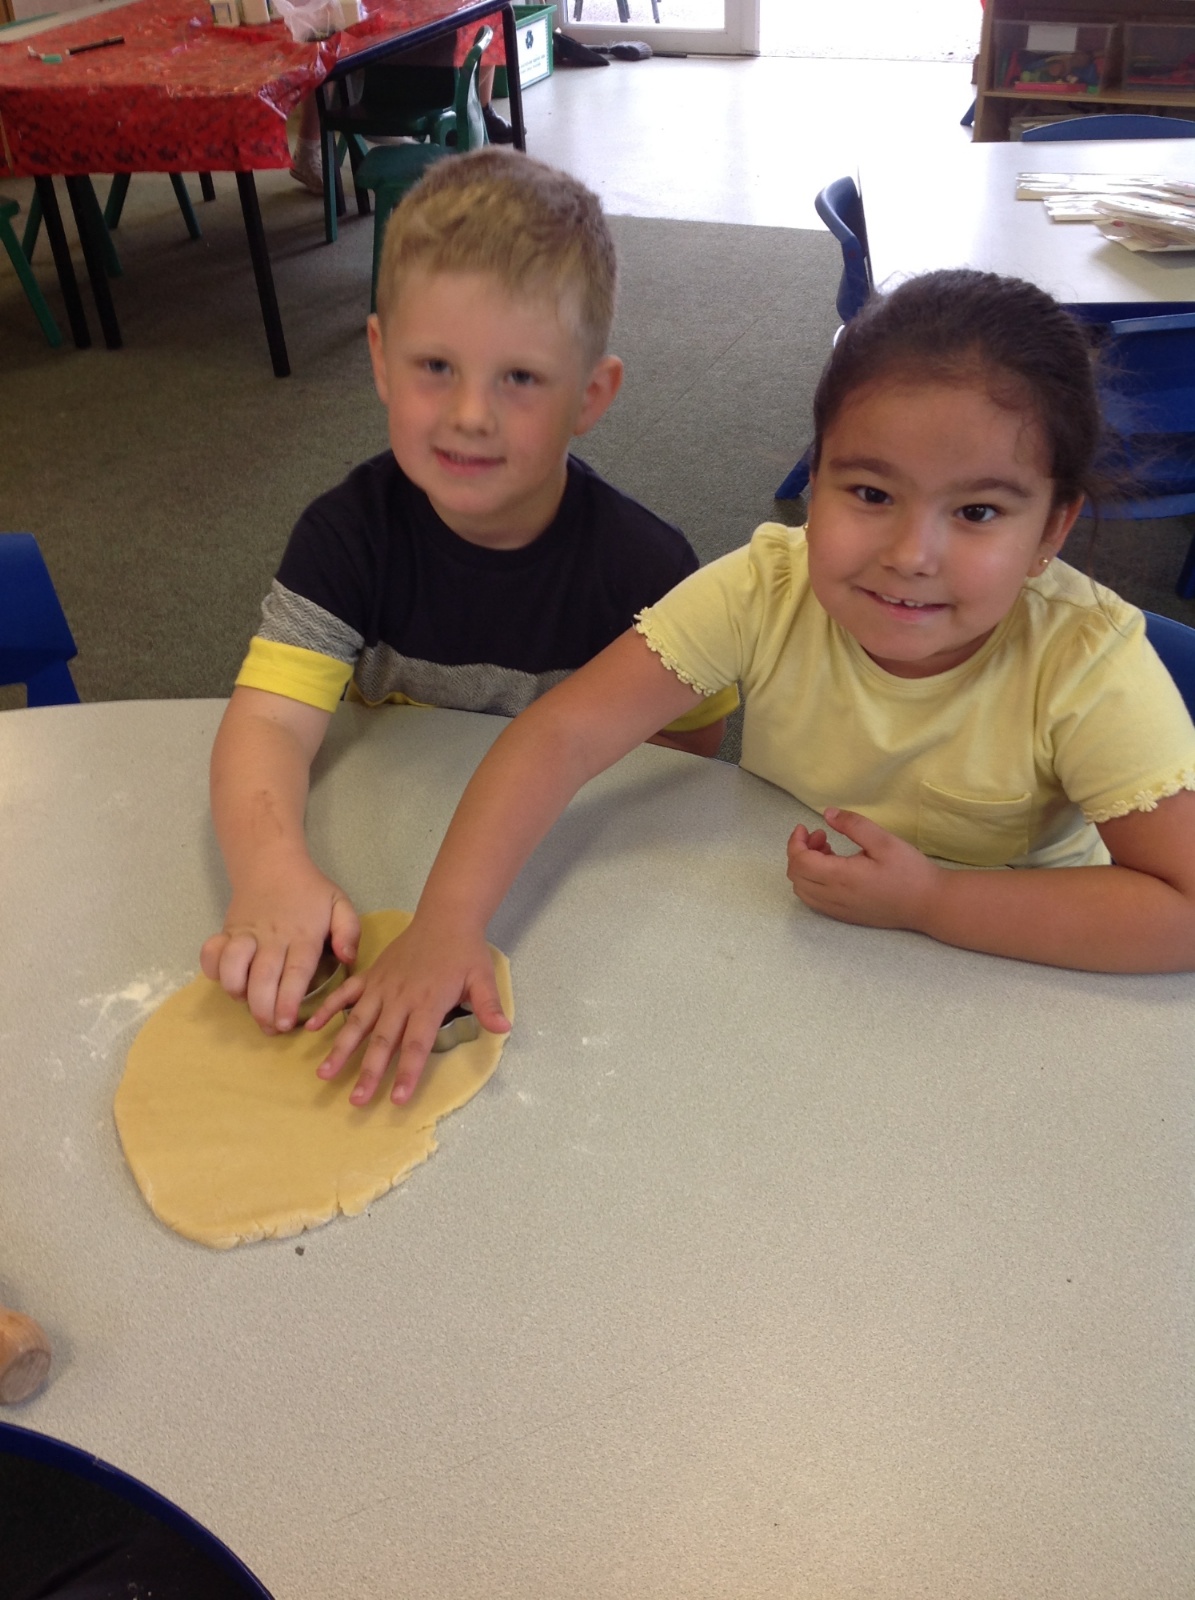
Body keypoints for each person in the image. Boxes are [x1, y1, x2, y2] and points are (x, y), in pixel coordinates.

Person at [302, 268, 1195, 1108]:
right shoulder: (767, 585)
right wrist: (444, 924)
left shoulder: (1085, 667)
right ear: (816, 474)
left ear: (1052, 530)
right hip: (807, 970)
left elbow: (1182, 911)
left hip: (1014, 1003)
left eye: (976, 512)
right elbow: (559, 736)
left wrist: (932, 901)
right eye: (870, 493)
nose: (910, 555)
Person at [201, 148, 735, 1037]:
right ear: (380, 359)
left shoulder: (645, 570)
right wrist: (269, 871)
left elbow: (689, 740)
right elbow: (268, 722)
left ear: (590, 394)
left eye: (518, 378)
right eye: (435, 367)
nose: (469, 415)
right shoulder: (345, 536)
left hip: (556, 869)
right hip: (384, 826)